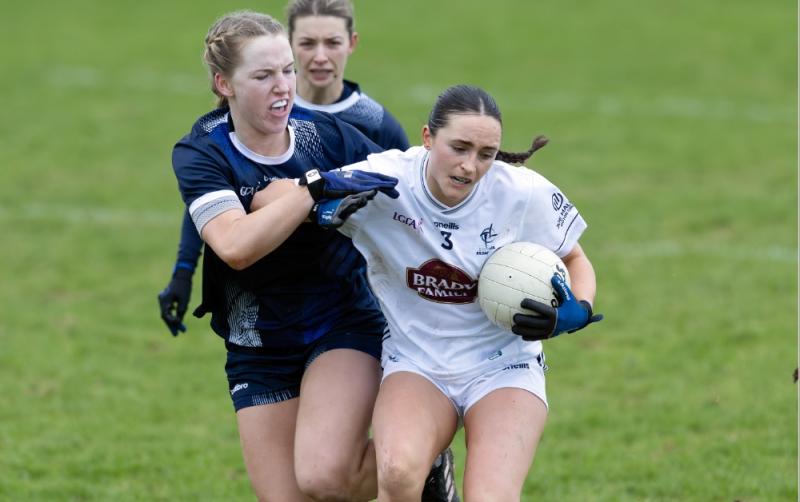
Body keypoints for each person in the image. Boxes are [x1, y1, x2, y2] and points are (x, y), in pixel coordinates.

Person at [253, 84, 603, 500]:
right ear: (427, 137)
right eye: (459, 148)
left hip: (505, 364)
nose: (470, 166)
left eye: (486, 154)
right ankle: (435, 471)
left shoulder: (520, 191)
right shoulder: (386, 180)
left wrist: (578, 311)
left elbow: (575, 258)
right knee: (398, 474)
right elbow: (266, 198)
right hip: (417, 361)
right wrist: (318, 202)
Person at [169, 11, 457, 502]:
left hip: (341, 320)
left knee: (325, 476)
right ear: (224, 84)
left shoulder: (326, 136)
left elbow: (415, 178)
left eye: (287, 70)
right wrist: (311, 191)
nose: (283, 86)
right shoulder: (204, 151)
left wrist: (484, 173)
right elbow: (235, 246)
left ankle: (421, 458)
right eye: (263, 75)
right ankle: (418, 465)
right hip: (258, 343)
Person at [158, 0, 408, 337]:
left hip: (345, 302)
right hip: (264, 317)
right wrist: (184, 269)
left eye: (332, 42)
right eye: (307, 43)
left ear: (351, 43)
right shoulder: (238, 125)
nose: (320, 56)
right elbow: (211, 204)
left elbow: (408, 190)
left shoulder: (367, 124)